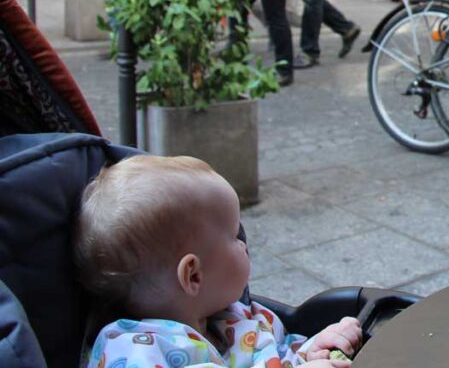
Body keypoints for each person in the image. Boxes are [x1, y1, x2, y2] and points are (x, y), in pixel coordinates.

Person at [75, 155, 362, 366]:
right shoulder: (135, 352)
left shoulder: (234, 319)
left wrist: (311, 350)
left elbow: (274, 357)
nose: (245, 244)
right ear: (193, 275)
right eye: (234, 236)